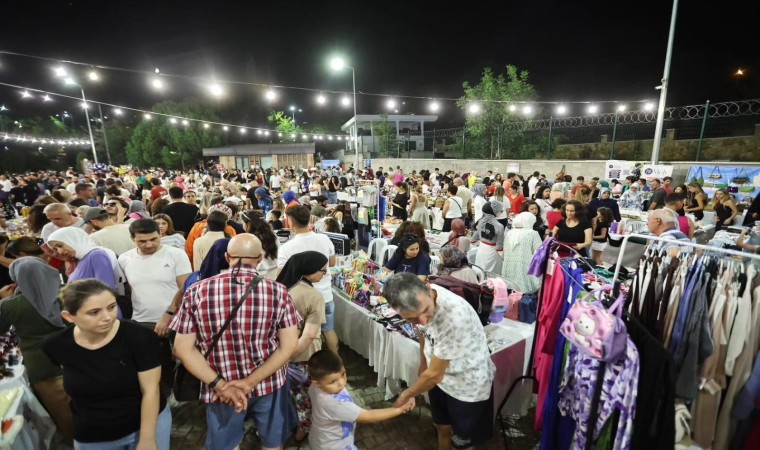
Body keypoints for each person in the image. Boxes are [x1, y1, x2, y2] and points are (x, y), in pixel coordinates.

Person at [170, 234, 300, 450]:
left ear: (227, 257)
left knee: (224, 445)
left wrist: (221, 385)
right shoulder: (278, 292)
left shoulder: (197, 291)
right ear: (260, 259)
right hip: (268, 382)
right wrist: (249, 382)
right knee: (272, 443)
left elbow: (182, 349)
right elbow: (289, 347)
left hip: (220, 387)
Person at [43, 279, 170, 449]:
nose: (108, 317)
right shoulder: (57, 345)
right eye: (94, 312)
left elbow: (151, 391)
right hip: (92, 434)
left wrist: (147, 440)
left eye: (111, 307)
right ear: (69, 316)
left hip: (143, 425)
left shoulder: (139, 337)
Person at [383, 273, 495, 450]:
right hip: (441, 379)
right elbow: (423, 332)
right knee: (441, 426)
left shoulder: (454, 316)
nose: (423, 321)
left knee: (462, 443)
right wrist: (423, 362)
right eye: (411, 318)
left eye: (425, 311)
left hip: (468, 385)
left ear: (428, 288)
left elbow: (434, 375)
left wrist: (407, 394)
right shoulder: (420, 302)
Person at [0, 257, 73, 445]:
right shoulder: (68, 294)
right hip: (76, 357)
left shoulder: (11, 305)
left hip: (42, 366)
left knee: (62, 412)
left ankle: (74, 443)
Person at [307, 349, 415, 450]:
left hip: (320, 439)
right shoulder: (334, 404)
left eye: (343, 374)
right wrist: (400, 409)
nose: (341, 383)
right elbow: (369, 416)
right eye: (333, 382)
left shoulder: (315, 387)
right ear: (317, 383)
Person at [275, 251, 328, 443]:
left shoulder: (278, 288)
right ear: (309, 270)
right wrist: (287, 356)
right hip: (303, 356)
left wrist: (278, 359)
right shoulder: (313, 296)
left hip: (276, 353)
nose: (324, 274)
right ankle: (302, 431)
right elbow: (309, 336)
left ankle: (281, 427)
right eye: (322, 270)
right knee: (305, 397)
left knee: (282, 396)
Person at [278, 205, 338, 354]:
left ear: (290, 223)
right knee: (329, 330)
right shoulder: (324, 238)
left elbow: (282, 276)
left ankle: (307, 363)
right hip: (326, 294)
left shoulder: (286, 248)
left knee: (304, 335)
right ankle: (336, 361)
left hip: (300, 300)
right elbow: (332, 263)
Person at [47, 227, 122, 289]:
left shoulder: (96, 255)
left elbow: (106, 289)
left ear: (73, 239)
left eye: (60, 246)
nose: (60, 252)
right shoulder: (80, 259)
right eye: (56, 249)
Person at [502, 212, 542, 294]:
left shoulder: (509, 233)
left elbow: (504, 253)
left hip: (509, 270)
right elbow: (539, 253)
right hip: (525, 270)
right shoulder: (532, 234)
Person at [471, 201, 505, 274]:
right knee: (493, 273)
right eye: (500, 211)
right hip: (493, 252)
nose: (502, 212)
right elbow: (499, 246)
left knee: (480, 271)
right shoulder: (499, 226)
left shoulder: (480, 222)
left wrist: (480, 242)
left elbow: (473, 239)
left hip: (481, 249)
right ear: (494, 212)